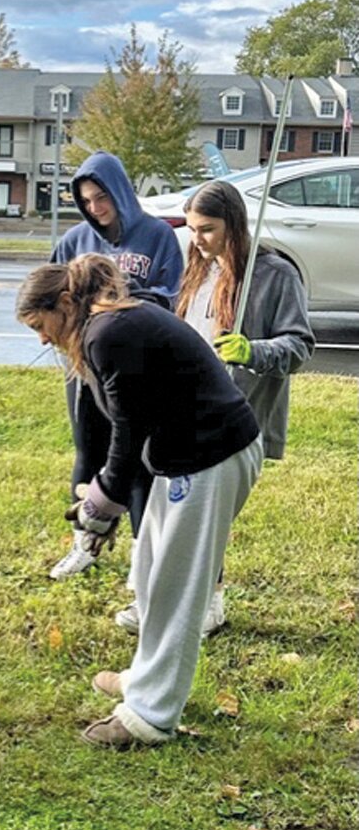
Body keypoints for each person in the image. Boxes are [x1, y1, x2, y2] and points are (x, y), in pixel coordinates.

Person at [17, 255, 262, 748]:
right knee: (149, 572)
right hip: (184, 456)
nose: (42, 339)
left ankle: (148, 718)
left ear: (65, 303)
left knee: (175, 589)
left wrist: (99, 506)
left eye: (41, 326)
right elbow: (110, 427)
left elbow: (126, 437)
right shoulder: (103, 331)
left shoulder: (110, 333)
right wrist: (99, 499)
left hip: (210, 455)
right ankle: (145, 678)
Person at [113, 180, 314, 636]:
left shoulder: (274, 274)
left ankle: (208, 604)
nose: (196, 239)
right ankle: (153, 599)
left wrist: (253, 351)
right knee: (170, 512)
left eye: (206, 229)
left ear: (234, 225)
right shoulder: (198, 268)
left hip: (237, 418)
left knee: (205, 518)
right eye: (191, 228)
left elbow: (300, 345)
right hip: (184, 412)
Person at [48, 151, 183, 581]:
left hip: (139, 365)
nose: (95, 208)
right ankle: (83, 543)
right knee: (89, 449)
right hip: (84, 362)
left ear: (120, 191)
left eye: (101, 197)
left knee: (138, 456)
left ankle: (141, 556)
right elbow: (49, 293)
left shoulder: (158, 235)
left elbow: (171, 294)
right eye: (86, 201)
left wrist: (126, 293)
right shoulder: (74, 242)